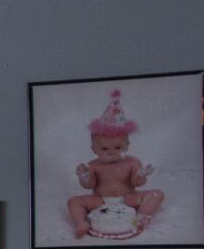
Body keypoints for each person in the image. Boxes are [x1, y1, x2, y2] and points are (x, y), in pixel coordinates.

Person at [67, 89, 161, 239]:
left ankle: (142, 216)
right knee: (73, 201)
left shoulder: (132, 161)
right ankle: (80, 223)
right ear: (94, 149)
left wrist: (141, 174)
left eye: (118, 147)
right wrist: (84, 177)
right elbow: (89, 185)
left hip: (127, 199)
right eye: (104, 149)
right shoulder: (93, 165)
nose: (111, 152)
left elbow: (137, 183)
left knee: (157, 194)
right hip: (101, 200)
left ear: (127, 145)